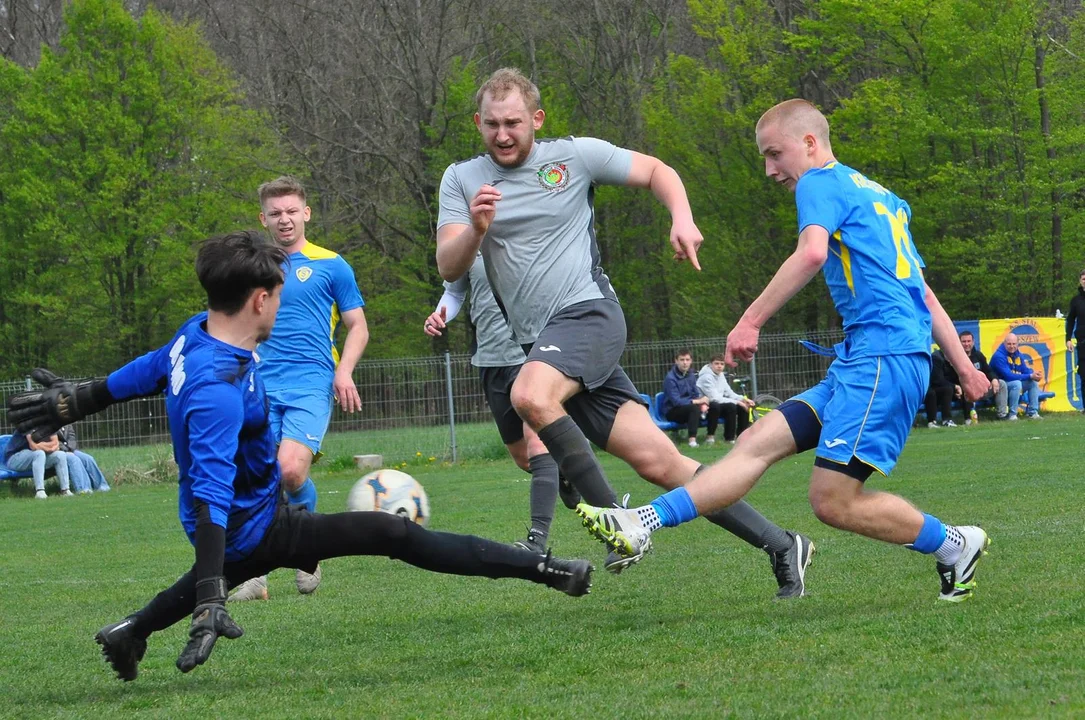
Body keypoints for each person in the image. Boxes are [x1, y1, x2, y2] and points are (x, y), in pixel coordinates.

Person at [5, 230, 593, 682]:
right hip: (248, 526)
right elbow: (210, 491)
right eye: (281, 296)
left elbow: (152, 367)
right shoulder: (215, 389)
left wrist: (80, 399)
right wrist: (212, 591)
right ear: (261, 299)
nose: (281, 306)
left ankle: (129, 632)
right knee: (396, 537)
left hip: (255, 511)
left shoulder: (199, 332)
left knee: (378, 538)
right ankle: (542, 569)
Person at [577, 99, 993, 603]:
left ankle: (954, 544)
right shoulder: (880, 196)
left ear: (811, 144)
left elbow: (813, 252)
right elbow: (922, 294)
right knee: (756, 444)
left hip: (883, 360)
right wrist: (966, 367)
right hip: (866, 358)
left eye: (776, 154)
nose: (772, 170)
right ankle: (641, 521)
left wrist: (750, 320)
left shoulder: (820, 181)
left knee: (832, 501)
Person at [436, 68, 812, 596]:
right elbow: (449, 267)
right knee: (662, 463)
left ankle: (619, 523)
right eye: (492, 124)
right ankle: (782, 543)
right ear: (478, 123)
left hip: (589, 316)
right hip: (541, 342)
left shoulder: (575, 156)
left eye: (514, 123)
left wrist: (681, 217)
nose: (503, 134)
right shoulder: (461, 179)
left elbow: (658, 171)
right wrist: (476, 229)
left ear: (536, 120)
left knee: (529, 394)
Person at [231, 176, 370, 602]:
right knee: (260, 476)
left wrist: (343, 371)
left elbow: (358, 326)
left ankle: (307, 547)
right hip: (260, 386)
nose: (285, 219)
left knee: (291, 471)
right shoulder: (251, 269)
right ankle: (256, 576)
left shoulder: (331, 265)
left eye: (292, 211)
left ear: (306, 213)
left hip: (312, 382)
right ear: (264, 218)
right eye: (276, 213)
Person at [423, 251, 578, 553]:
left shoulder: (528, 234)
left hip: (532, 354)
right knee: (524, 459)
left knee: (537, 446)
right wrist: (439, 314)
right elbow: (454, 293)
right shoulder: (469, 243)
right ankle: (566, 472)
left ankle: (537, 539)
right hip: (491, 361)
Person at [660, 349, 714, 447]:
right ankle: (692, 441)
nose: (685, 363)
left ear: (691, 361)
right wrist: (697, 401)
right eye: (682, 360)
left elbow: (695, 394)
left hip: (688, 407)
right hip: (672, 411)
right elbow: (676, 401)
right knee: (693, 408)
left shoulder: (691, 375)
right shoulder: (670, 378)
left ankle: (711, 438)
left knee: (714, 405)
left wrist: (703, 404)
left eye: (687, 359)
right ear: (676, 361)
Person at [696, 354, 754, 443]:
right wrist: (738, 402)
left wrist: (743, 399)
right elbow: (714, 398)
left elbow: (729, 392)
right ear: (710, 364)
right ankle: (729, 438)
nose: (719, 366)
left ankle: (741, 437)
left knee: (743, 407)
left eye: (722, 364)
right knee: (731, 406)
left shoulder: (720, 375)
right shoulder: (706, 377)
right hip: (706, 407)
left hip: (718, 405)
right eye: (716, 363)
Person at [945, 331, 998, 425]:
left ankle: (1003, 415)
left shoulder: (978, 355)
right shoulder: (954, 358)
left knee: (1001, 384)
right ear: (959, 343)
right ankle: (969, 419)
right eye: (964, 341)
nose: (967, 344)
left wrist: (994, 379)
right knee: (968, 389)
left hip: (982, 390)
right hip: (961, 391)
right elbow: (950, 377)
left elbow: (988, 371)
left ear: (973, 342)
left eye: (969, 341)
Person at [4, 431, 73, 499]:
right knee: (39, 453)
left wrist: (47, 447)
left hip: (35, 457)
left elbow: (56, 443)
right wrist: (49, 447)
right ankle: (40, 492)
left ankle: (65, 490)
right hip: (14, 459)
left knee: (60, 455)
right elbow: (33, 446)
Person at [990, 333, 1043, 420]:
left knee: (1032, 382)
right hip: (1000, 387)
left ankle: (1033, 412)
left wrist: (1034, 374)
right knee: (1017, 384)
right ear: (1004, 344)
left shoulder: (1017, 354)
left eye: (1014, 344)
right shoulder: (998, 356)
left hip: (1010, 383)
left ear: (1017, 344)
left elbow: (1024, 369)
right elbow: (1008, 376)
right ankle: (1012, 414)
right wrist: (1030, 375)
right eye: (1009, 344)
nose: (1012, 346)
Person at [59, 424, 111, 493]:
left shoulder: (66, 422)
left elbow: (72, 437)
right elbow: (53, 441)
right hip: (57, 452)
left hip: (70, 449)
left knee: (88, 458)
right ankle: (83, 489)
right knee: (74, 459)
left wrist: (70, 449)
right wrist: (66, 450)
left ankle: (102, 486)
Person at [1065, 268, 1085, 412]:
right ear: (1080, 281)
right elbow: (1071, 320)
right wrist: (1068, 338)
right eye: (1084, 278)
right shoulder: (1076, 300)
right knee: (1084, 375)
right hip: (1083, 342)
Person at [923, 349, 957, 428]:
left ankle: (947, 420)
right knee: (931, 393)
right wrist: (955, 386)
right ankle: (931, 422)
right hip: (927, 387)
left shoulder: (956, 358)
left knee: (948, 389)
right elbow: (937, 380)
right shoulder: (936, 358)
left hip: (938, 388)